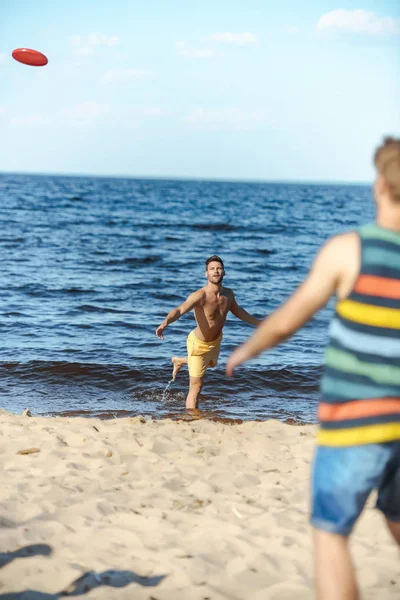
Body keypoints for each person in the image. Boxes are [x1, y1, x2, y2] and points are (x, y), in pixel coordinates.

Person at [226, 136, 400, 600]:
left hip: (356, 422)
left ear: (379, 186)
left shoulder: (350, 249)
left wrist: (247, 350)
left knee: (331, 534)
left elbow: (290, 317)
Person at [156, 255, 261, 409]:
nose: (216, 271)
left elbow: (238, 311)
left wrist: (259, 323)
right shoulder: (200, 296)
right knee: (196, 387)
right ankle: (192, 419)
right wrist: (165, 322)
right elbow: (180, 309)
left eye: (219, 268)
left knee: (211, 365)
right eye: (212, 269)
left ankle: (180, 361)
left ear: (224, 272)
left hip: (216, 342)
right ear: (206, 274)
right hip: (198, 344)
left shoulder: (228, 295)